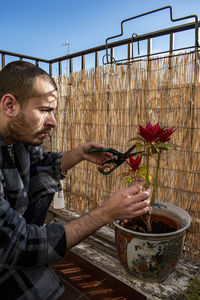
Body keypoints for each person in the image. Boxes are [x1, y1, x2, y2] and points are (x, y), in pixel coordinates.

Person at [0, 61, 151, 300]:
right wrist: (105, 213)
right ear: (10, 105)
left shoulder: (17, 137)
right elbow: (19, 246)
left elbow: (39, 164)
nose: (53, 122)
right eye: (44, 110)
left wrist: (80, 154)